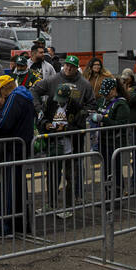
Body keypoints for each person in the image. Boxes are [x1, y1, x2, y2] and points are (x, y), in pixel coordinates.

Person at [0, 74, 35, 238]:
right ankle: (22, 225)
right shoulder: (26, 95)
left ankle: (6, 227)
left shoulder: (14, 98)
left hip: (13, 148)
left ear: (4, 89)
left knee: (9, 188)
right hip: (22, 146)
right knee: (18, 187)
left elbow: (4, 123)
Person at [36, 81, 87, 217]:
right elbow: (40, 119)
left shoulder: (77, 107)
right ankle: (51, 204)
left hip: (70, 148)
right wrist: (45, 124)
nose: (60, 102)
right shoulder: (50, 103)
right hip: (53, 145)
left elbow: (82, 128)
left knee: (70, 177)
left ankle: (69, 207)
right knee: (52, 176)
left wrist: (65, 128)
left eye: (63, 100)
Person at [93, 76, 131, 203]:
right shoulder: (103, 101)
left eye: (107, 93)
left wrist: (103, 119)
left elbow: (120, 124)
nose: (105, 96)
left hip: (115, 142)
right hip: (103, 140)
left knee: (115, 170)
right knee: (106, 170)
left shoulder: (121, 104)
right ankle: (107, 196)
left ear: (114, 90)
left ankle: (117, 197)